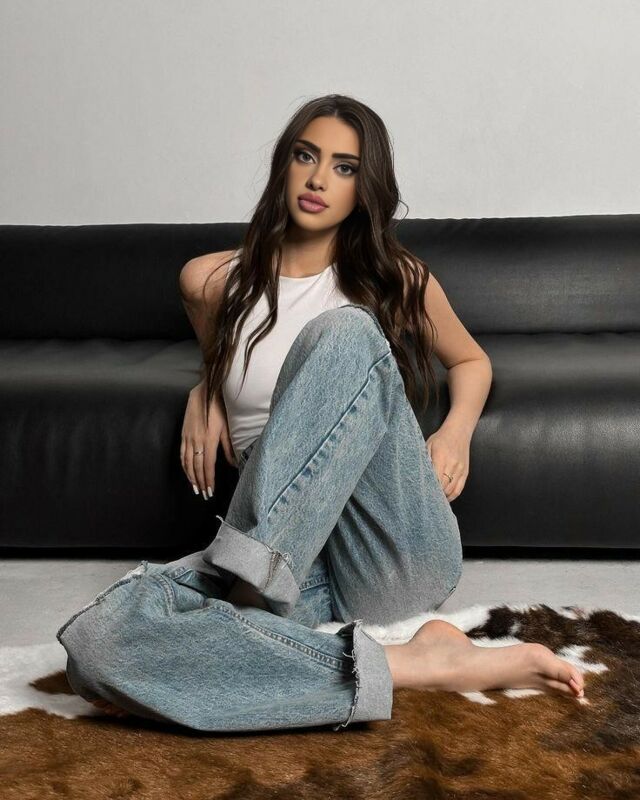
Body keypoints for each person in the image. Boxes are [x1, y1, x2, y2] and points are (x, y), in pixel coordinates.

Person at [58, 94, 584, 731]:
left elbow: (472, 361)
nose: (317, 179)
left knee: (345, 333)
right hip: (296, 564)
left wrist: (455, 432)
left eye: (344, 167)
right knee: (97, 644)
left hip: (389, 549)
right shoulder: (210, 280)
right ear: (283, 165)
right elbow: (223, 364)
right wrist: (205, 391)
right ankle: (417, 663)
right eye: (306, 157)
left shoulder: (396, 278)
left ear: (365, 188)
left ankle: (246, 599)